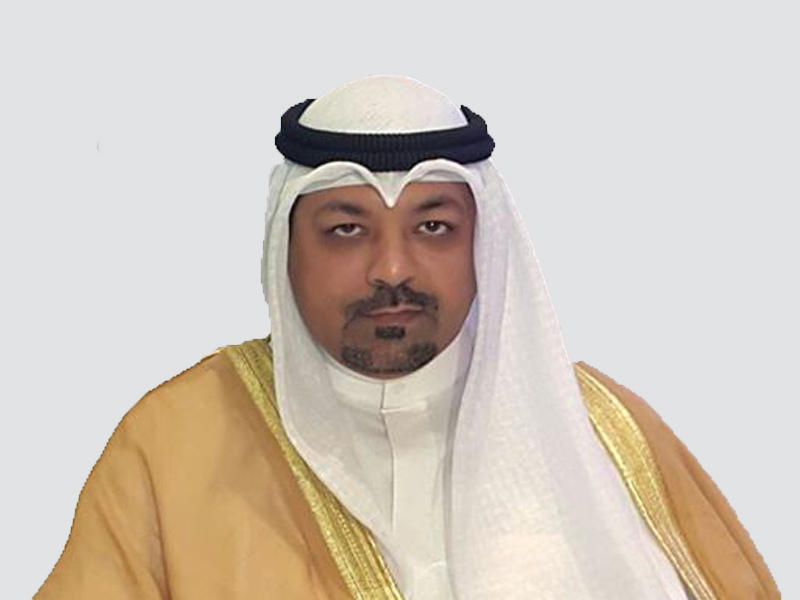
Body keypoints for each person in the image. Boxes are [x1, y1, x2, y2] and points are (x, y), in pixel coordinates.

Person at [34, 75, 780, 599]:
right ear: (286, 248)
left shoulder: (609, 432)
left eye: (433, 227)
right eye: (346, 229)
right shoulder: (171, 446)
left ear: (483, 244)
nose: (392, 269)